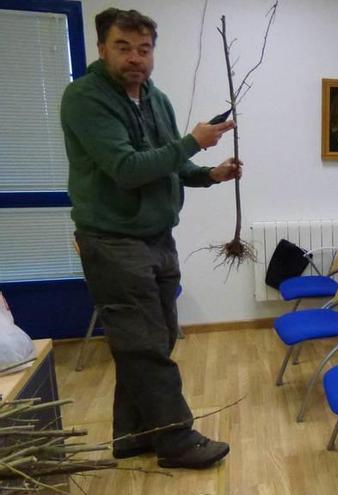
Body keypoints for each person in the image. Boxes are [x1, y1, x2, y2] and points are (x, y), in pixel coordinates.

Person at [61, 8, 239, 469]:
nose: (135, 58)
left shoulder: (156, 99)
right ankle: (176, 440)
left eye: (144, 49)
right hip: (113, 241)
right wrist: (194, 141)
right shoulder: (85, 98)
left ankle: (132, 433)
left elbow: (169, 163)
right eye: (123, 47)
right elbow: (125, 169)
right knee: (143, 344)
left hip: (157, 237)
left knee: (150, 342)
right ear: (102, 48)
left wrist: (210, 174)